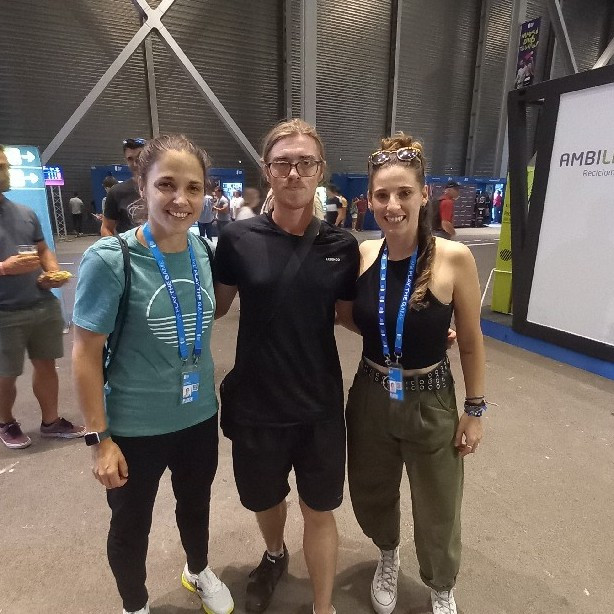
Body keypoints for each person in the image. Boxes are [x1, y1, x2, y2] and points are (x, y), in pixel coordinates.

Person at [72, 135, 234, 614]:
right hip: (133, 427)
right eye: (166, 184)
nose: (180, 199)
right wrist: (99, 439)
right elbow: (85, 353)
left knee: (196, 505)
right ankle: (134, 604)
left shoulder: (203, 250)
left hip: (197, 416)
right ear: (142, 186)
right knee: (130, 525)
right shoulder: (111, 259)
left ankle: (197, 570)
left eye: (193, 187)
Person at [214, 118, 359, 614]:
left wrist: (418, 331)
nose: (294, 172)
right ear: (267, 170)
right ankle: (274, 552)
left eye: (305, 163)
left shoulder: (341, 246)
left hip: (318, 405)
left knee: (320, 508)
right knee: (263, 499)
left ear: (320, 170)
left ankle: (323, 607)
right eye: (282, 163)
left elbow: (350, 317)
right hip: (257, 403)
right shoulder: (237, 238)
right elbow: (214, 307)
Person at [341, 134, 485, 614]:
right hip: (370, 392)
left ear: (424, 194)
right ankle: (388, 553)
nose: (393, 205)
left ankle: (441, 585)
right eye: (382, 194)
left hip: (431, 397)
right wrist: (400, 330)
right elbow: (349, 315)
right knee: (370, 488)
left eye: (403, 192)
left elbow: (471, 340)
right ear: (369, 200)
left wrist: (475, 410)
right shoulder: (364, 255)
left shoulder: (453, 258)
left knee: (438, 501)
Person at [0, 144, 84, 449]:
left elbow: (43, 249)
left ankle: (51, 422)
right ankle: (5, 422)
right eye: (0, 166)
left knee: (46, 364)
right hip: (4, 311)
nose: (6, 172)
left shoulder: (24, 212)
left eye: (6, 165)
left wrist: (53, 272)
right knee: (5, 374)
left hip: (41, 303)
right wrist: (4, 268)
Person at [102, 138, 147, 236]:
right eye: (130, 159)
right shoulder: (116, 192)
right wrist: (117, 245)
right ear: (126, 160)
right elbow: (106, 228)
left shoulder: (162, 188)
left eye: (139, 158)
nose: (135, 164)